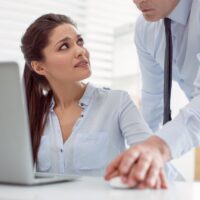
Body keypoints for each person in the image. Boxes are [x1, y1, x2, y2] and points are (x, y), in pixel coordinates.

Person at [21, 13, 153, 177]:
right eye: (64, 46)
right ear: (40, 67)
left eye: (79, 42)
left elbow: (152, 160)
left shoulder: (118, 102)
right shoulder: (32, 114)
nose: (80, 51)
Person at [105, 0, 200, 189]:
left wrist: (158, 147)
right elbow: (152, 98)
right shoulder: (144, 28)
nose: (139, 2)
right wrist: (142, 159)